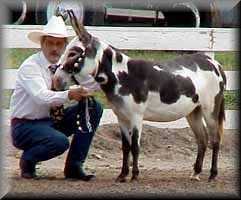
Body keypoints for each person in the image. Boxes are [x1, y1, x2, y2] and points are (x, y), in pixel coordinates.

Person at [9, 15, 103, 181]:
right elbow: (41, 97)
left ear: (65, 46)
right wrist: (70, 94)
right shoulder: (31, 67)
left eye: (59, 44)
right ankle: (28, 160)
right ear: (42, 44)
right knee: (59, 142)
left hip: (49, 121)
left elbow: (90, 83)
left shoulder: (64, 65)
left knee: (94, 107)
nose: (54, 48)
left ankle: (74, 166)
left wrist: (89, 88)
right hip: (24, 126)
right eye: (50, 43)